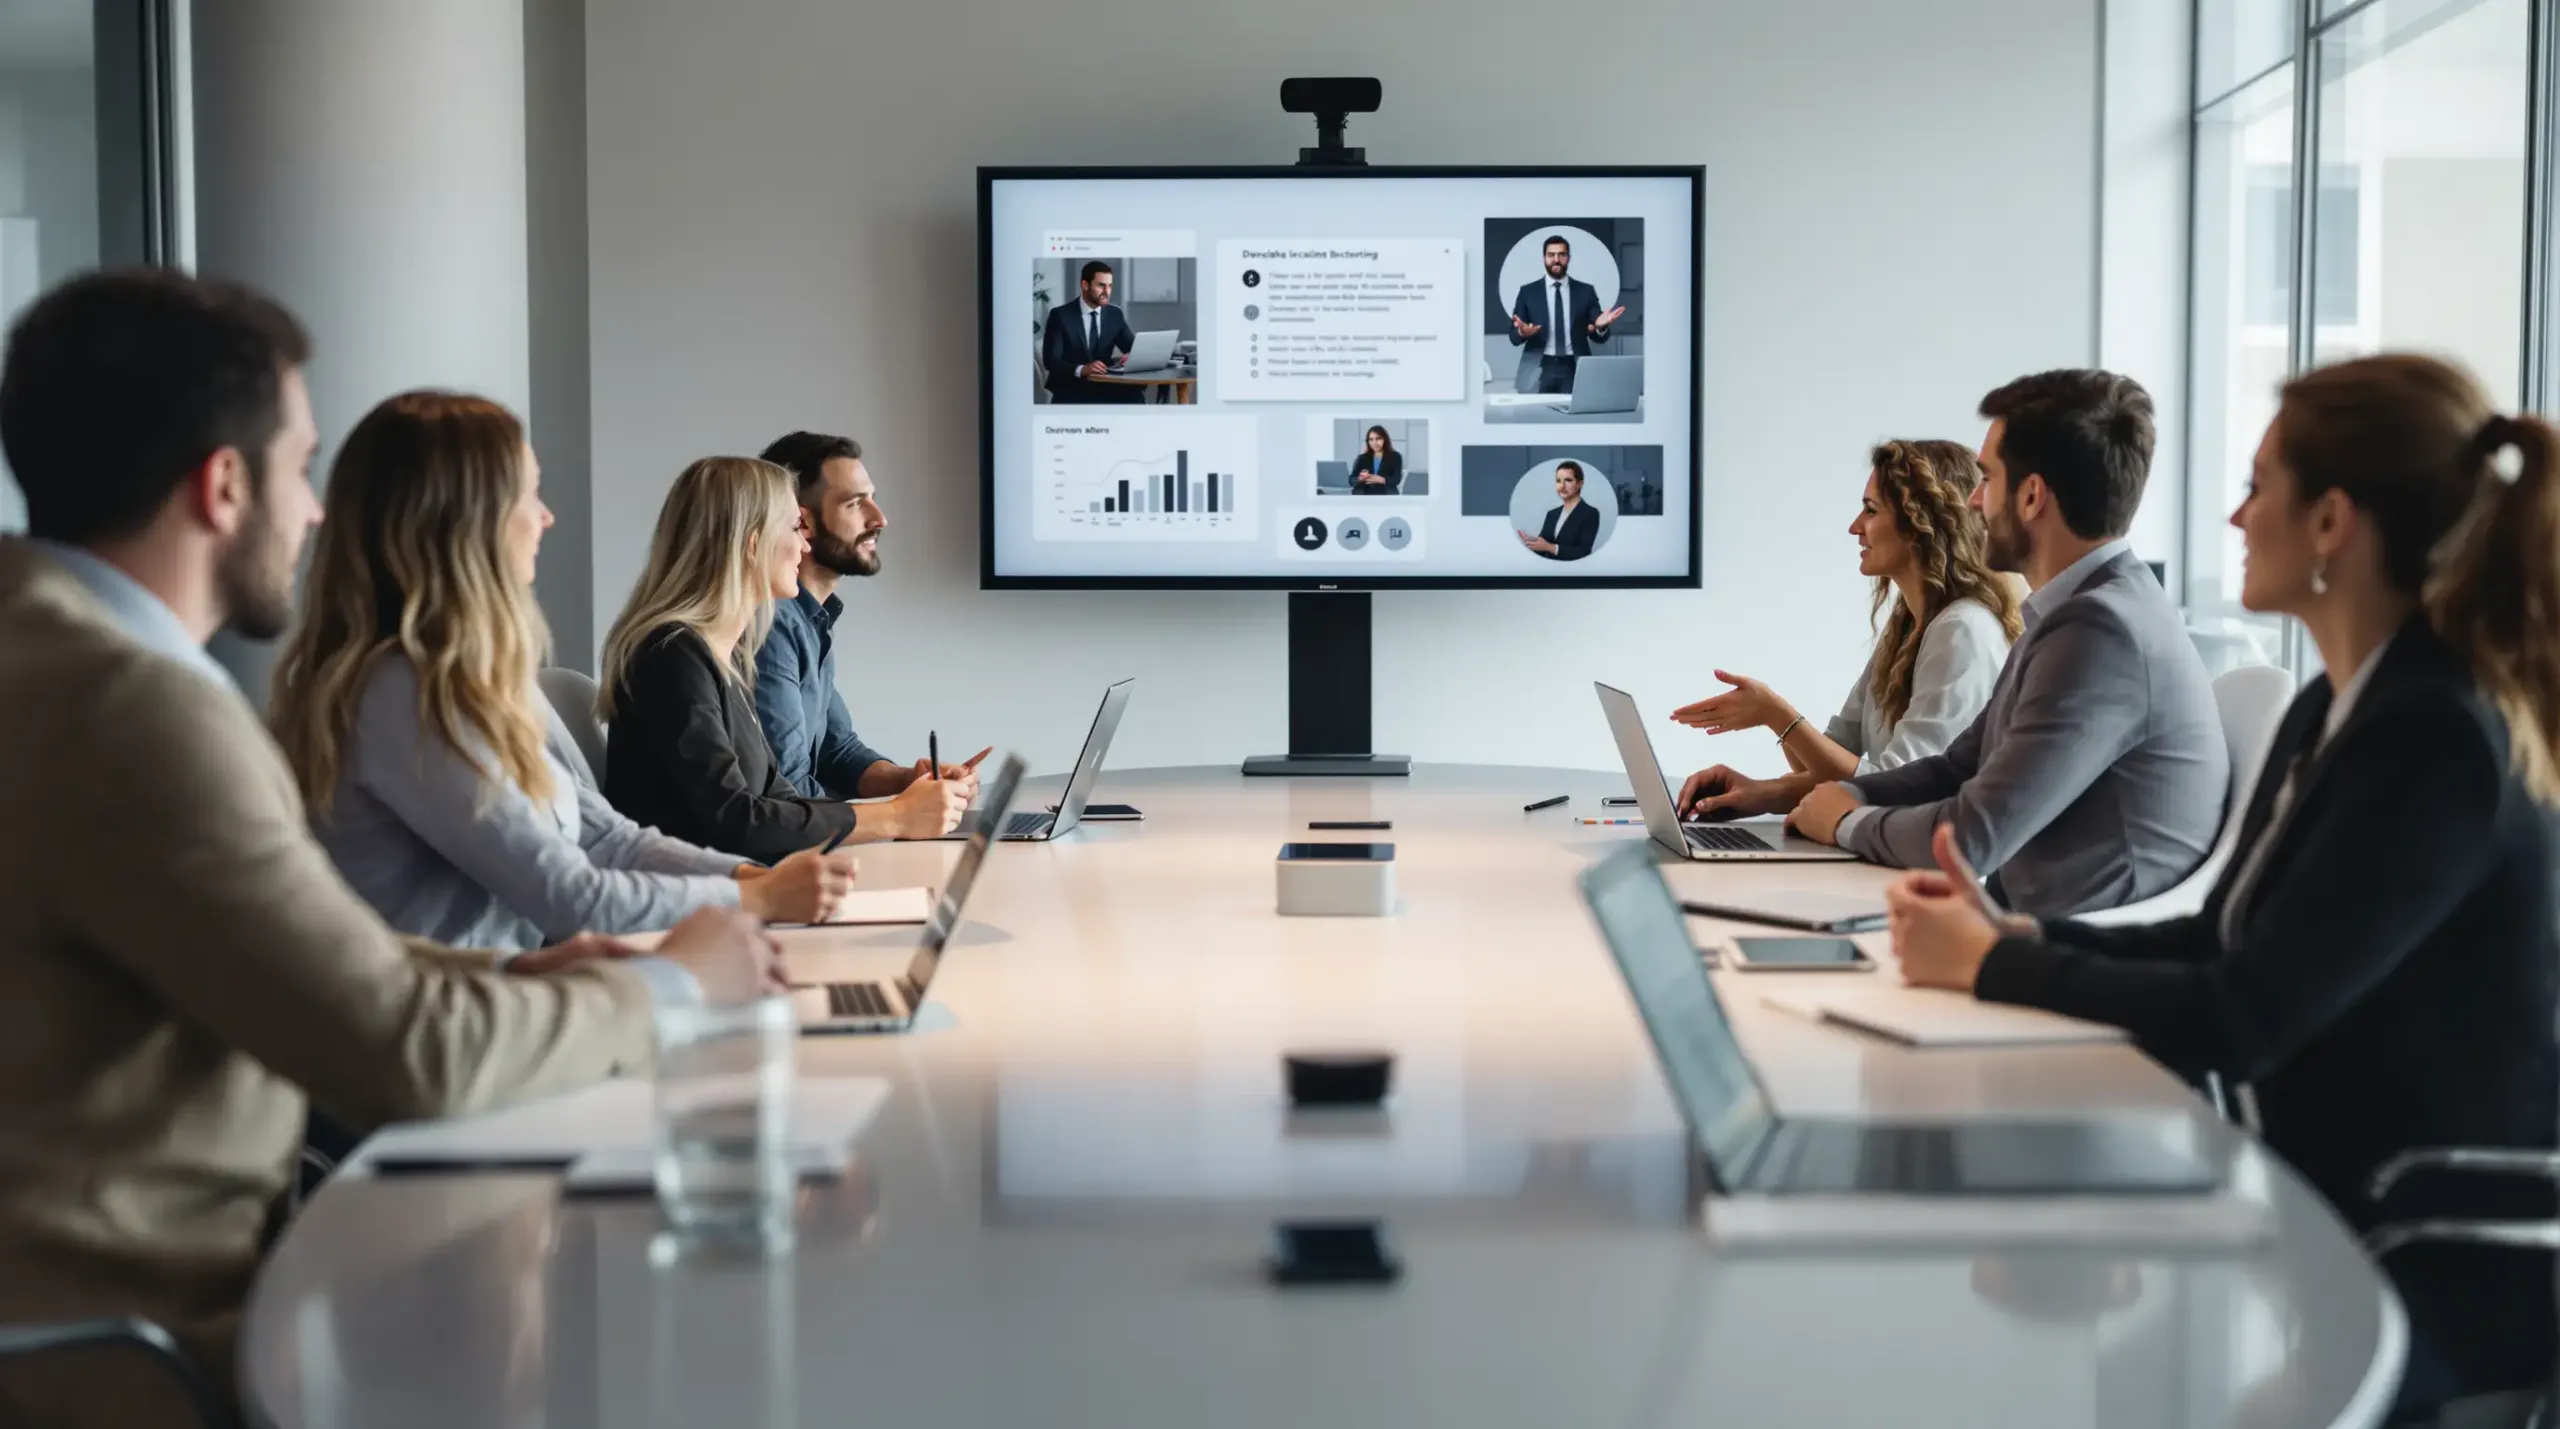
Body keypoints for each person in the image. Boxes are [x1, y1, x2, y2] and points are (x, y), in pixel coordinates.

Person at [0, 269, 777, 1427]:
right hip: (168, 1344)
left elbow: (318, 954)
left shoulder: (52, 660)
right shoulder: (132, 711)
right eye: (297, 468)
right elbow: (407, 1053)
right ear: (222, 486)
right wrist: (669, 984)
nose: (314, 513)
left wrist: (515, 974)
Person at [1883, 354, 2560, 1419]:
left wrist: (2002, 964)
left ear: (2331, 520)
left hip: (2442, 1241)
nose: (2235, 516)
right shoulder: (2341, 710)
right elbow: (2218, 941)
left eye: (2258, 486)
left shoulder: (2432, 741)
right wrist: (2004, 938)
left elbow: (2245, 1016)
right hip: (2332, 1193)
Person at [268, 392, 860, 952]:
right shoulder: (406, 693)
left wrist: (752, 880)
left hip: (513, 994)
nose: (546, 517)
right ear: (464, 522)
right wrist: (753, 896)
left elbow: (607, 838)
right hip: (465, 1023)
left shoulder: (485, 676)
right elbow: (571, 897)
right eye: (530, 495)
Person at [1784, 370, 2227, 918]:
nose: (1971, 502)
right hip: (2020, 929)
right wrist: (1858, 795)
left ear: (2032, 496)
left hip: (2066, 954)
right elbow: (1956, 767)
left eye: (1987, 479)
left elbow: (1970, 839)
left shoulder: (2101, 632)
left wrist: (1846, 823)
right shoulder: (2075, 610)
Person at [601, 456, 968, 863]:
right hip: (699, 908)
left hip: (740, 890)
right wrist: (896, 816)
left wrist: (902, 805)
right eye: (795, 528)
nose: (805, 545)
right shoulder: (674, 657)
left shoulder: (715, 657)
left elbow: (780, 800)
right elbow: (737, 821)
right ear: (752, 544)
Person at [1675, 440, 2020, 817]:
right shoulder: (1908, 624)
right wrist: (1761, 793)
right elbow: (1831, 762)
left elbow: (1895, 786)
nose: (1855, 527)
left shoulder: (1962, 631)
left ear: (1921, 523)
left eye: (1870, 511)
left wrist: (1776, 714)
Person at [753, 429, 987, 806]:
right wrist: (901, 815)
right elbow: (789, 792)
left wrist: (912, 780)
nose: (879, 519)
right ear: (803, 521)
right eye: (855, 503)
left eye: (872, 500)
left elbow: (838, 753)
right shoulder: (772, 624)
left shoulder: (812, 618)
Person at [1506, 234, 1625, 395]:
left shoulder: (1585, 291)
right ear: (1544, 258)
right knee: (1535, 416)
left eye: (1562, 255)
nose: (1556, 259)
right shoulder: (1528, 292)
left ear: (1568, 258)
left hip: (1575, 366)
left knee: (1575, 418)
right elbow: (1513, 338)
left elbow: (1599, 336)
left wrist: (1601, 327)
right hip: (1539, 367)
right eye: (1551, 255)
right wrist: (1522, 332)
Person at [1040, 259, 1139, 405]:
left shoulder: (1114, 314)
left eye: (1110, 286)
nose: (1107, 292)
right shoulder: (1060, 315)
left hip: (1106, 385)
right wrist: (1082, 369)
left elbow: (1132, 348)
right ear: (1085, 285)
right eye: (1101, 285)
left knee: (1135, 395)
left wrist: (1131, 355)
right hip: (1071, 387)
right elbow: (1051, 361)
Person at [1520, 461, 1599, 561]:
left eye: (1568, 480)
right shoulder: (1552, 514)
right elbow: (1542, 546)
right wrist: (1532, 543)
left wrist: (1549, 547)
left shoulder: (1590, 513)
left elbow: (1583, 552)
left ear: (1579, 483)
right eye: (1558, 481)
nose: (1562, 486)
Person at [1349, 425, 1403, 494]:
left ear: (1385, 439)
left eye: (1378, 439)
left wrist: (1382, 480)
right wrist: (1360, 478)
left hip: (1386, 494)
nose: (1374, 443)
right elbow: (1351, 480)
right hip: (1364, 494)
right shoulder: (1362, 458)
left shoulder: (1395, 456)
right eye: (1371, 439)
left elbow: (1397, 480)